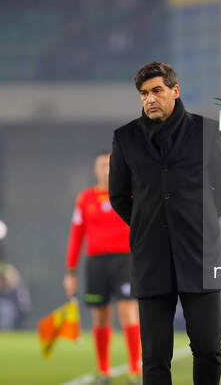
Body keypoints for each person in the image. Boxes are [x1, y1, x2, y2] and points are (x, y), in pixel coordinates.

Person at [109, 62, 221, 385]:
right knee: (154, 358)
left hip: (200, 255)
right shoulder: (125, 139)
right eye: (144, 94)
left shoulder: (206, 131)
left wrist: (198, 221)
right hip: (151, 258)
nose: (150, 99)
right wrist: (148, 224)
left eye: (157, 91)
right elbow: (119, 197)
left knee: (208, 349)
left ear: (175, 92)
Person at [63, 151, 141, 385]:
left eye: (110, 165)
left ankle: (135, 370)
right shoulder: (84, 199)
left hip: (125, 260)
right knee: (100, 315)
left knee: (128, 310)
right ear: (95, 170)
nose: (106, 170)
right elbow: (76, 235)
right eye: (101, 166)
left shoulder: (130, 194)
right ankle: (103, 370)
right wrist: (71, 271)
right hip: (96, 263)